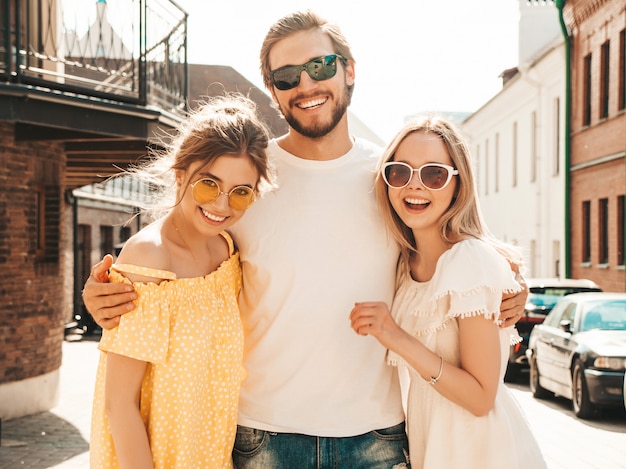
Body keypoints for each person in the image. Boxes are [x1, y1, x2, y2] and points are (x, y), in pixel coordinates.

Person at [82, 10, 528, 468]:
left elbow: (449, 251)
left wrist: (509, 282)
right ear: (273, 90)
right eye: (287, 76)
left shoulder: (391, 179)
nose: (306, 85)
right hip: (263, 438)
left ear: (348, 69)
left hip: (376, 437)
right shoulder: (250, 179)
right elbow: (180, 246)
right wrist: (111, 289)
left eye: (320, 67)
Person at [89, 94, 274, 469]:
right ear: (180, 173)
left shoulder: (227, 250)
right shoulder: (148, 258)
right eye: (209, 184)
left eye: (240, 193)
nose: (222, 205)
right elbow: (119, 404)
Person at [350, 116, 546, 468]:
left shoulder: (470, 261)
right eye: (399, 172)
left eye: (433, 174)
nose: (415, 186)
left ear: (458, 184)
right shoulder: (402, 265)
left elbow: (481, 397)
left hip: (480, 452)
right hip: (433, 445)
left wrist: (393, 335)